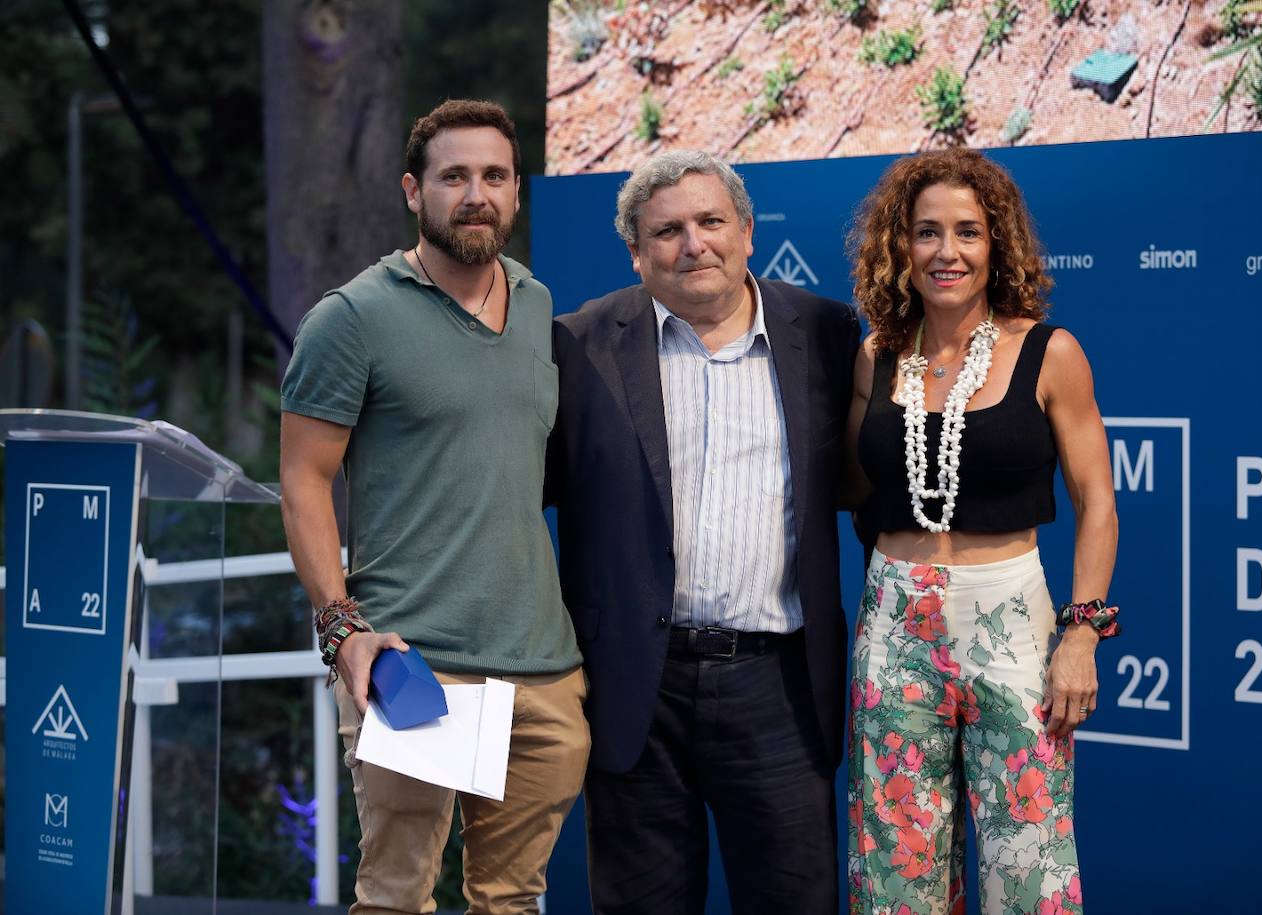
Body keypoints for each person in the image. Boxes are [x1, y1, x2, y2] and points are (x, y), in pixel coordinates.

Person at [279, 98, 589, 915]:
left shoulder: (535, 304)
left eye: (494, 176)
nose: (476, 193)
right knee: (395, 899)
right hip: (415, 660)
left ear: (518, 193)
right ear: (414, 191)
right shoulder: (352, 318)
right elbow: (305, 481)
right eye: (454, 176)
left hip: (542, 669)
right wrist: (341, 627)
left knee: (512, 900)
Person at [548, 149, 860, 914]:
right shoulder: (577, 344)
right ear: (636, 251)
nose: (694, 244)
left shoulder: (825, 335)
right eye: (668, 231)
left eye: (711, 221)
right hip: (633, 690)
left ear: (747, 231)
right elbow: (521, 496)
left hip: (778, 687)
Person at [845, 148, 1119, 915]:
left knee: (1027, 862)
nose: (947, 251)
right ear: (900, 245)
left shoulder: (1049, 352)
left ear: (996, 243)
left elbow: (1097, 500)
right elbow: (856, 487)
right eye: (926, 232)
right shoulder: (876, 356)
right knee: (894, 869)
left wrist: (1082, 634)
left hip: (1012, 622)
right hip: (893, 623)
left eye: (967, 231)